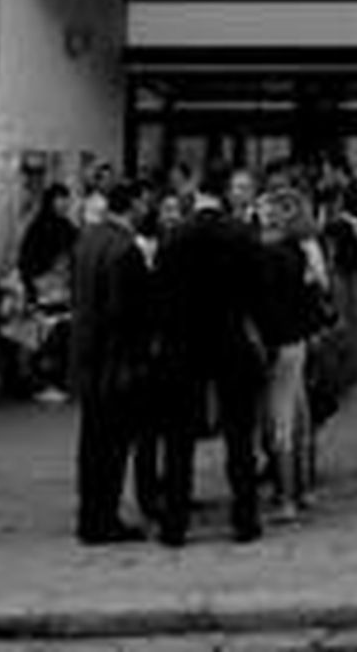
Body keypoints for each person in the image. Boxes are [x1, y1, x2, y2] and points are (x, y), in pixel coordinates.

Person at [153, 168, 269, 546]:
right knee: (239, 433)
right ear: (225, 194)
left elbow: (161, 293)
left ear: (197, 194)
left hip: (184, 342)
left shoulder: (175, 236)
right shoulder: (242, 234)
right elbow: (258, 290)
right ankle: (245, 518)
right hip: (230, 337)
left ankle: (175, 523)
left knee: (179, 437)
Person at [72, 181, 160, 544]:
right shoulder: (126, 250)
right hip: (117, 362)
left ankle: (89, 514)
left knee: (91, 443)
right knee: (113, 447)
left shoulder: (87, 240)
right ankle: (104, 519)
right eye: (145, 203)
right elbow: (128, 313)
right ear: (135, 204)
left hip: (88, 359)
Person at [255, 185, 329, 523]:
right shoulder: (298, 251)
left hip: (279, 342)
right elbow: (312, 294)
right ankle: (303, 488)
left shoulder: (269, 254)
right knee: (299, 415)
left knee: (281, 421)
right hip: (298, 338)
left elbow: (266, 305)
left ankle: (287, 498)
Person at [17, 184, 77, 400]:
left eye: (66, 200)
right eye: (59, 199)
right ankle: (37, 382)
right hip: (43, 290)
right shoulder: (38, 228)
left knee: (60, 335)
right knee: (40, 337)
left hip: (62, 292)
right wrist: (35, 285)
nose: (63, 204)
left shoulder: (67, 227)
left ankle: (55, 380)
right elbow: (27, 261)